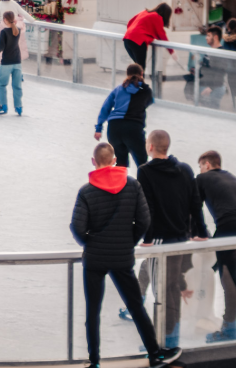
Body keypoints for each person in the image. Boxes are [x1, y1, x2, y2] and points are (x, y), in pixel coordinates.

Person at [71, 142, 182, 368]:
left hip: (95, 258)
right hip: (122, 257)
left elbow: (77, 227)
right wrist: (127, 242)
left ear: (94, 162)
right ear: (114, 160)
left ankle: (94, 362)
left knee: (93, 311)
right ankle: (154, 355)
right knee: (135, 306)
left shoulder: (86, 190)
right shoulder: (132, 185)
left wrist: (91, 243)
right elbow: (144, 220)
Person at [136, 129, 209, 349]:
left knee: (161, 290)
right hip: (180, 238)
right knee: (171, 287)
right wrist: (201, 232)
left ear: (150, 147)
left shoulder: (145, 172)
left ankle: (161, 341)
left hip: (159, 240)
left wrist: (148, 239)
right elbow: (195, 203)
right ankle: (171, 336)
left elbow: (147, 206)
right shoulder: (185, 169)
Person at [195, 150, 236, 343]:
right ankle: (228, 324)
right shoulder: (231, 177)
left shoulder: (202, 178)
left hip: (229, 228)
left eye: (200, 166)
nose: (200, 170)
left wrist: (198, 234)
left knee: (228, 279)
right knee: (233, 278)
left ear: (206, 164)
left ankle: (229, 330)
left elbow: (193, 209)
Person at [95, 64, 153, 168]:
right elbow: (148, 103)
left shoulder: (118, 89)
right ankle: (143, 184)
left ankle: (121, 183)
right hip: (133, 128)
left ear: (127, 74)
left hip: (114, 128)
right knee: (143, 164)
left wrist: (99, 127)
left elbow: (105, 107)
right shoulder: (146, 90)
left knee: (121, 164)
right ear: (142, 74)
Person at [0, 11, 23, 116]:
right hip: (17, 62)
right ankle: (18, 107)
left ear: (5, 20)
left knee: (1, 84)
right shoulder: (18, 30)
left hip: (7, 63)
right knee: (17, 86)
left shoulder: (4, 32)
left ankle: (3, 105)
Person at [123, 3, 174, 69]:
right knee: (140, 68)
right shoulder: (157, 17)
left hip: (127, 39)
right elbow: (162, 36)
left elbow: (130, 22)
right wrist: (172, 52)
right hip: (138, 42)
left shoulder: (144, 12)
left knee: (137, 67)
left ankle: (134, 79)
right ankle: (139, 79)